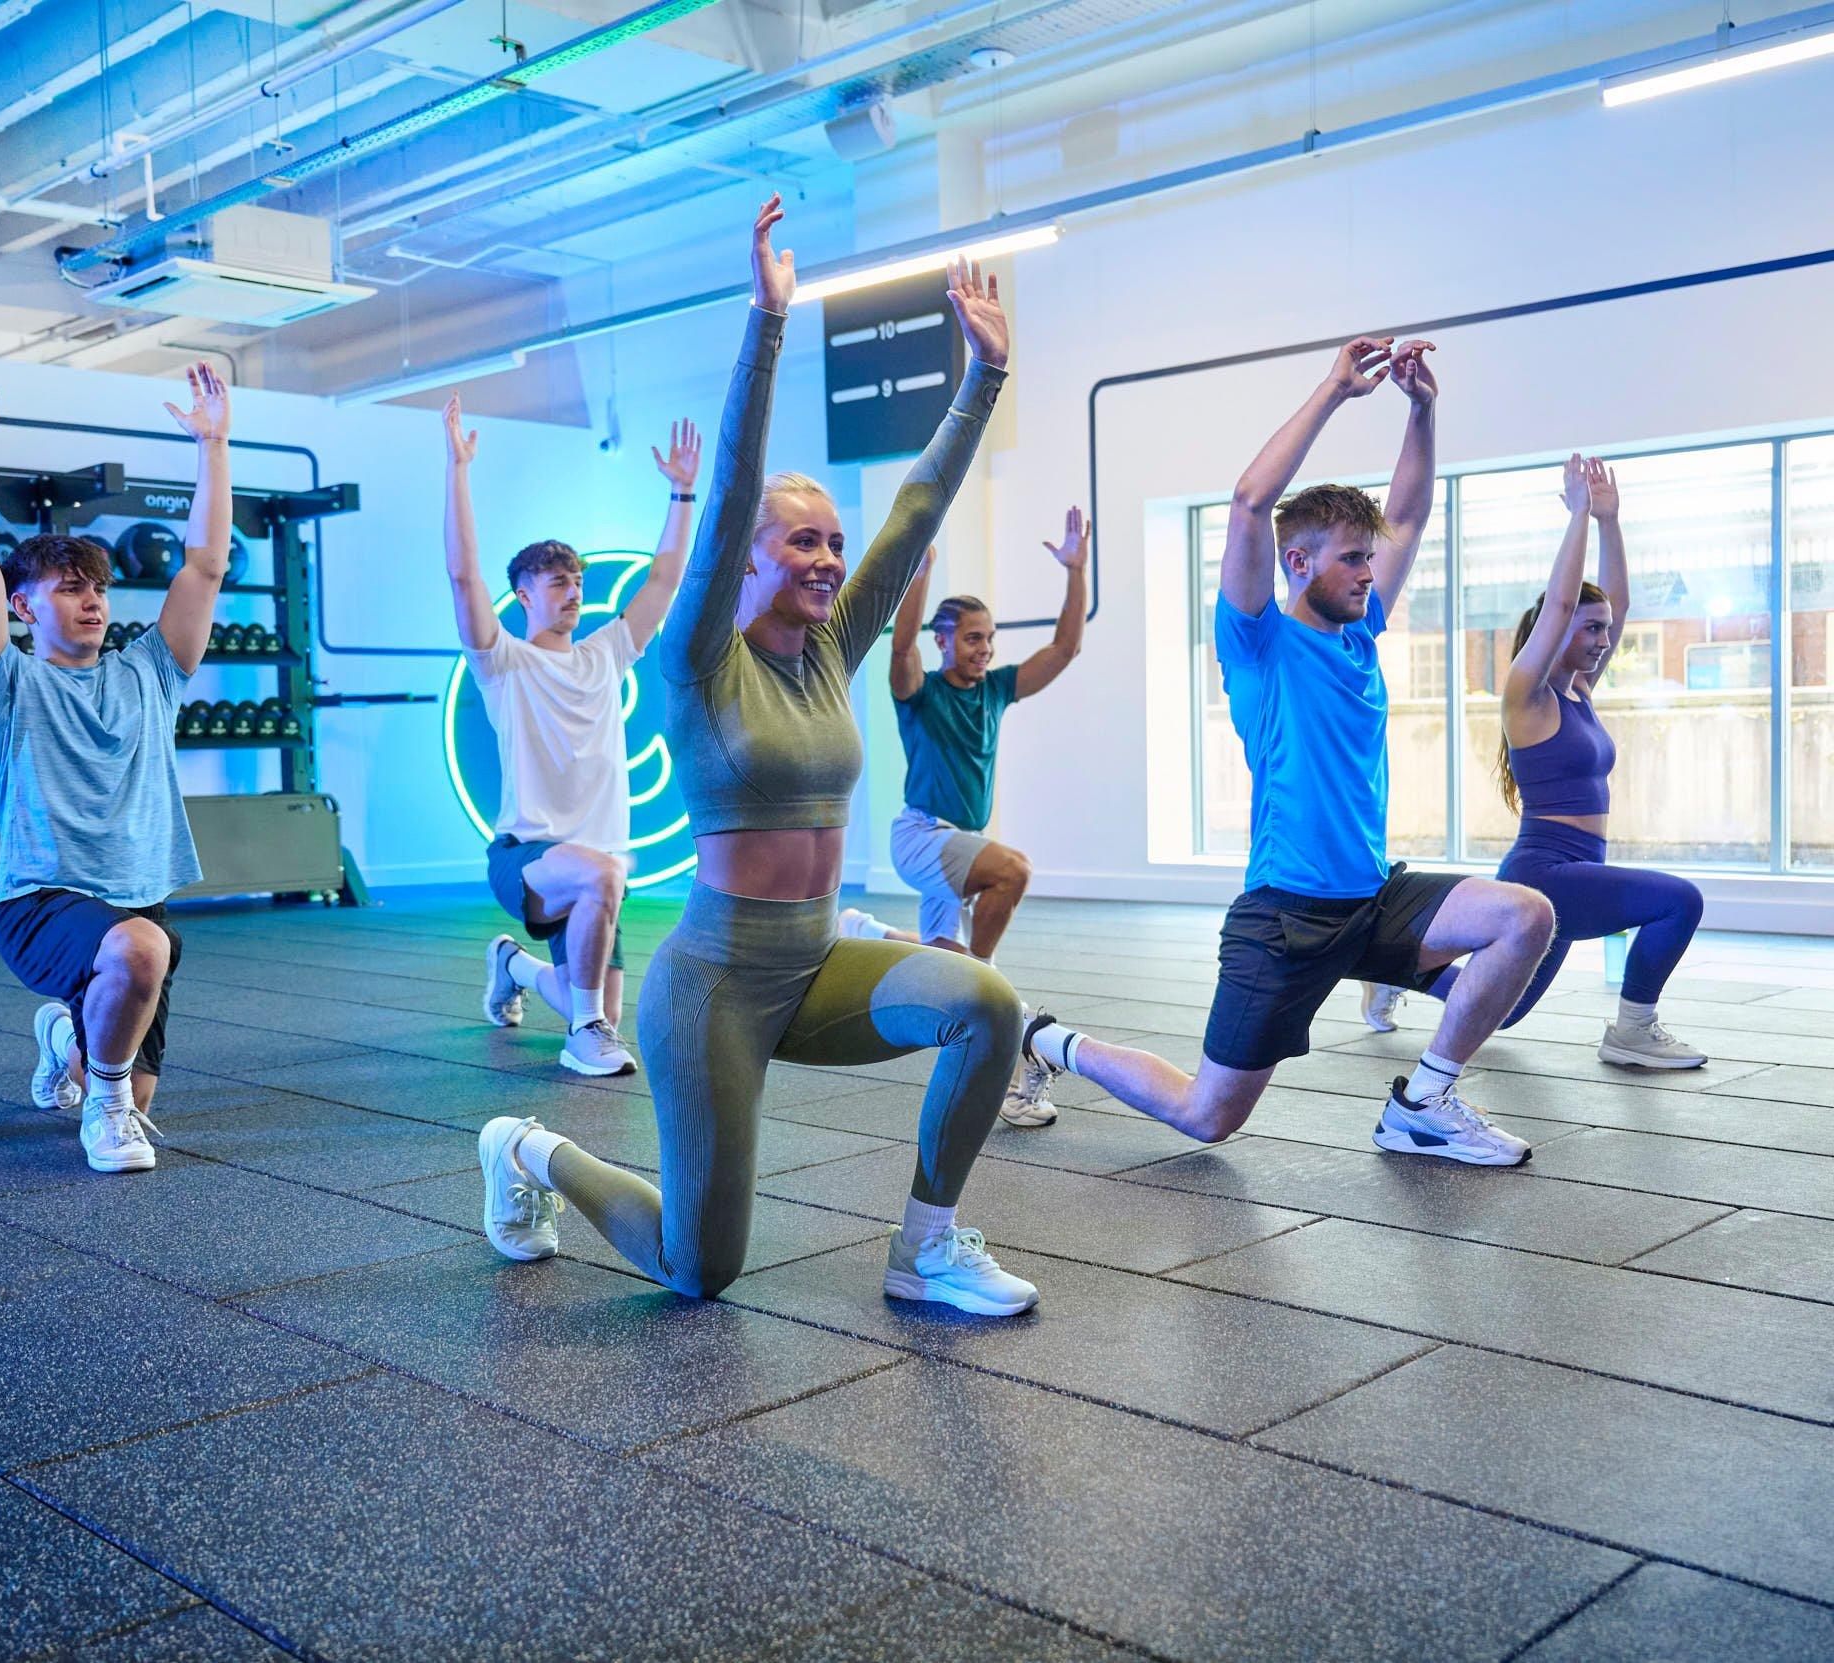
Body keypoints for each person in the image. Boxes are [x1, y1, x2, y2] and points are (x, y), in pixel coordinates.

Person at [477, 196, 1039, 1314]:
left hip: (816, 961)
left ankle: (924, 1246)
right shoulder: (696, 657)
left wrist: (983, 382)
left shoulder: (834, 648)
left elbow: (915, 513)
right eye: (803, 540)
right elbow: (732, 482)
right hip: (715, 984)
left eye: (833, 539)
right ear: (747, 558)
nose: (829, 556)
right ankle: (529, 1151)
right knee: (702, 1269)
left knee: (985, 1005)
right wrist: (766, 324)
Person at [1013, 336, 1558, 1165]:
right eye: (1351, 560)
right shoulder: (1257, 643)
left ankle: (1423, 1100)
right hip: (1285, 918)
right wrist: (1335, 389)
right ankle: (1049, 1041)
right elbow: (1246, 502)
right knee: (1207, 1116)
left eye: (1369, 560)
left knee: (1524, 915)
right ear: (1296, 563)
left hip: (1371, 900)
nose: (1369, 574)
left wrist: (1424, 409)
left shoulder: (1360, 631)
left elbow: (1407, 515)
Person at [0, 338, 231, 1175]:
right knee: (139, 958)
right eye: (69, 586)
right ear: (26, 606)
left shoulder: (151, 672)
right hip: (41, 902)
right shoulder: (5, 687)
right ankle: (102, 1109)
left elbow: (207, 567)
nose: (93, 598)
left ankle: (74, 1041)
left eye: (99, 586)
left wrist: (213, 446)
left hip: (142, 901)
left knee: (136, 986)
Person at [1362, 458, 1705, 1067]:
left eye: (1604, 631)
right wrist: (1576, 515)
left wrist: (1611, 521)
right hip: (1545, 873)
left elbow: (1615, 604)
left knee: (1507, 1009)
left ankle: (1393, 970)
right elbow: (1562, 603)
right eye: (1590, 629)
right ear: (1556, 630)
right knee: (1679, 900)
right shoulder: (1529, 694)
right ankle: (1632, 1032)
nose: (1605, 640)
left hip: (1580, 868)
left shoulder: (1579, 691)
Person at [452, 396, 702, 1076]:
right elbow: (463, 573)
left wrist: (682, 489)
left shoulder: (605, 653)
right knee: (601, 883)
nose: (572, 592)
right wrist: (458, 468)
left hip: (594, 872)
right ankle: (583, 1034)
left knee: (593, 966)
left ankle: (515, 966)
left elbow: (666, 577)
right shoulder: (503, 662)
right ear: (524, 593)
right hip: (526, 857)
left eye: (578, 582)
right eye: (557, 581)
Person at [836, 511, 1092, 1128]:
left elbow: (1064, 647)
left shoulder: (996, 690)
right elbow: (900, 646)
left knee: (941, 966)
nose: (985, 649)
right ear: (944, 640)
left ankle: (863, 930)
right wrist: (920, 569)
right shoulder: (920, 692)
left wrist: (1076, 572)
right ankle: (989, 982)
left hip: (958, 843)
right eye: (973, 638)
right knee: (1012, 873)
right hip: (922, 836)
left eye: (989, 638)